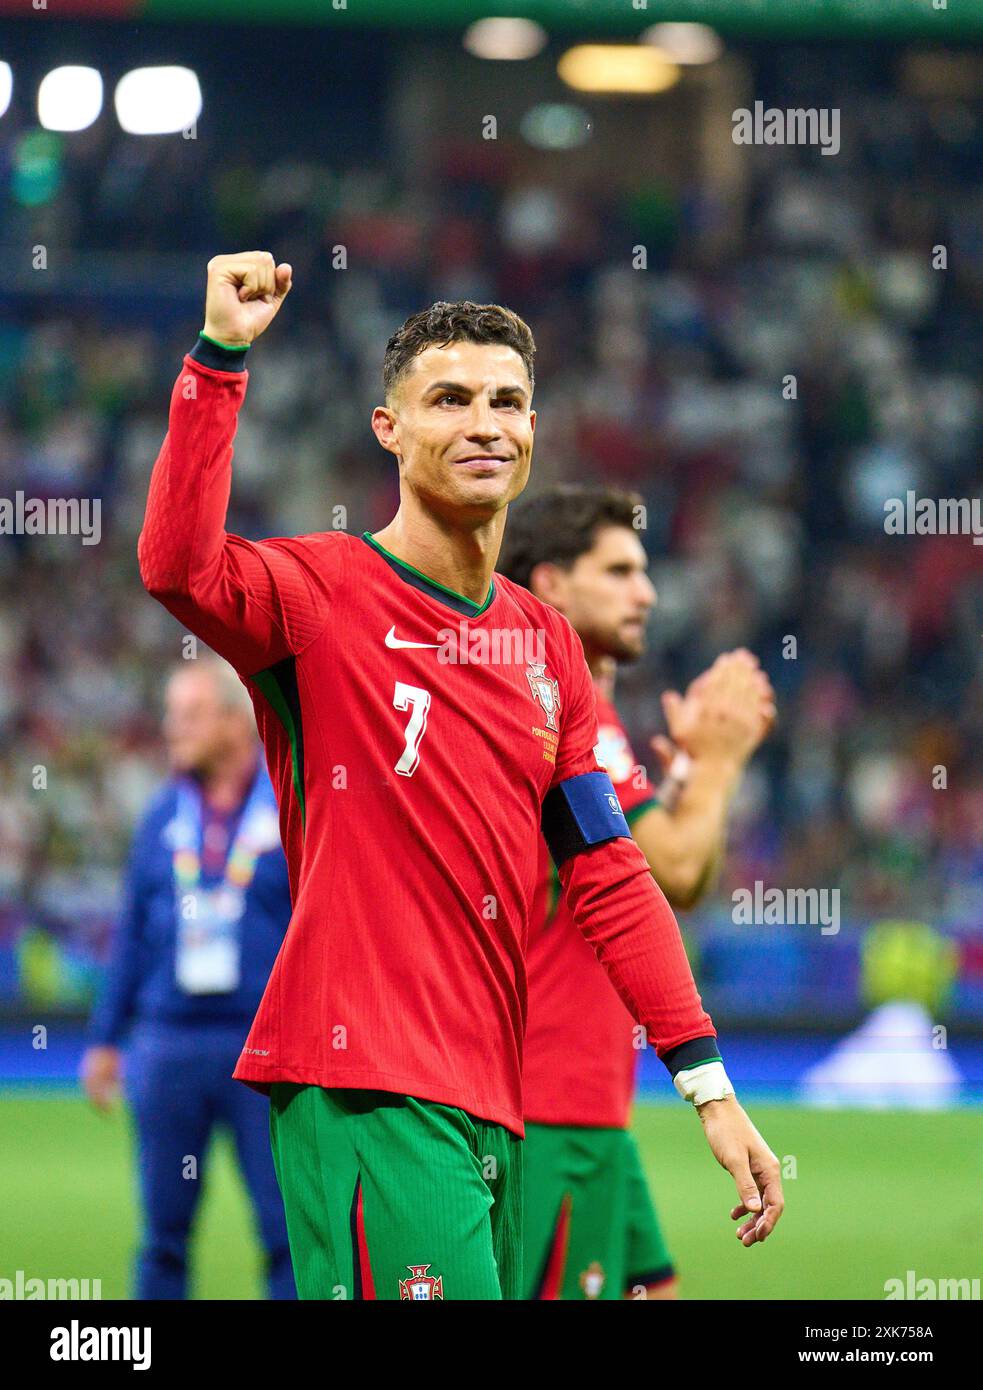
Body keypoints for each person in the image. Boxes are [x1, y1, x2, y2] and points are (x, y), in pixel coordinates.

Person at [138, 250, 783, 1300]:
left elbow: (612, 874)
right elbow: (176, 568)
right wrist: (219, 359)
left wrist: (706, 1084)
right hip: (363, 1081)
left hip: (495, 1091)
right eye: (448, 399)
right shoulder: (320, 592)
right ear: (388, 429)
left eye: (507, 401)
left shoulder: (545, 647)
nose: (485, 422)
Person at [499, 485, 775, 1300]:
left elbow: (641, 864)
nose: (646, 592)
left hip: (584, 1104)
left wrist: (687, 775)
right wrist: (722, 763)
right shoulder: (568, 720)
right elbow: (679, 873)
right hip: (550, 1103)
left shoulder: (571, 718)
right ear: (551, 584)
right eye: (618, 571)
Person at [81, 654, 295, 1300]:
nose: (173, 728)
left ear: (237, 722)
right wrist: (104, 1038)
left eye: (190, 714)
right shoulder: (160, 817)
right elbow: (132, 937)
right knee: (162, 1237)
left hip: (264, 1050)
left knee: (285, 1232)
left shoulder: (288, 806)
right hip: (167, 1046)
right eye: (172, 714)